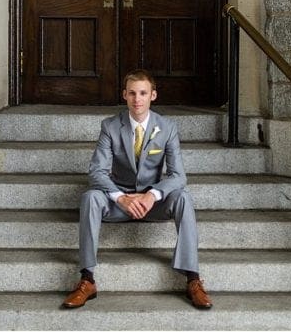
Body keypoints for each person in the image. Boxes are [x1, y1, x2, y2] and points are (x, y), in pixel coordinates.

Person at [62, 69, 213, 311]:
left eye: (143, 93)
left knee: (183, 197)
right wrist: (120, 198)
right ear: (124, 95)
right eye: (132, 93)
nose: (137, 99)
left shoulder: (167, 127)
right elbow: (97, 172)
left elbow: (178, 176)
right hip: (119, 203)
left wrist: (152, 195)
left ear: (153, 95)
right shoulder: (110, 126)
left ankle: (193, 279)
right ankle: (87, 279)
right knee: (90, 197)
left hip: (152, 203)